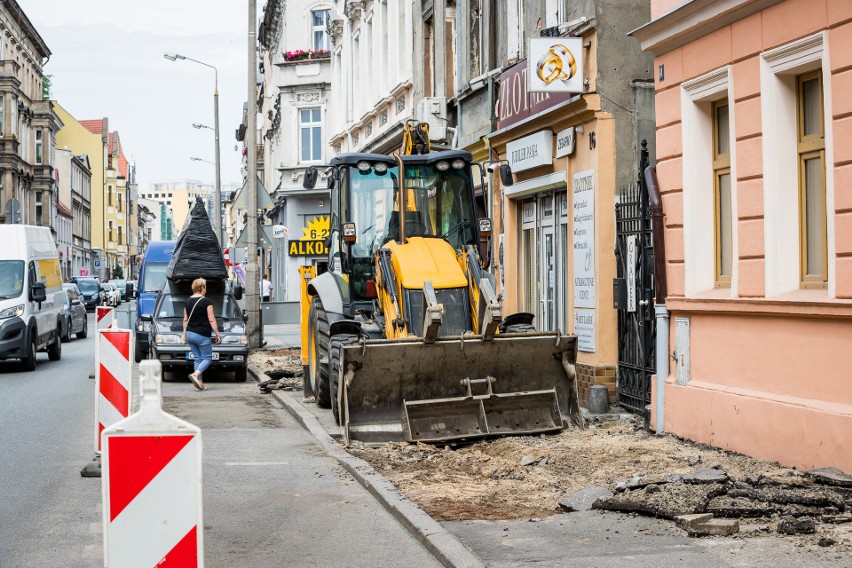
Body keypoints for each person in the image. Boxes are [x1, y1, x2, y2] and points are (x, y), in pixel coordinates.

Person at [184, 277, 221, 391]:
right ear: (202, 288)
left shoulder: (188, 301)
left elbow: (185, 319)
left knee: (198, 359)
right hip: (201, 334)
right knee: (207, 358)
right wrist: (217, 333)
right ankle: (195, 375)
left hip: (190, 333)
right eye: (205, 287)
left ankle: (199, 384)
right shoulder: (206, 301)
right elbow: (211, 319)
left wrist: (185, 334)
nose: (206, 289)